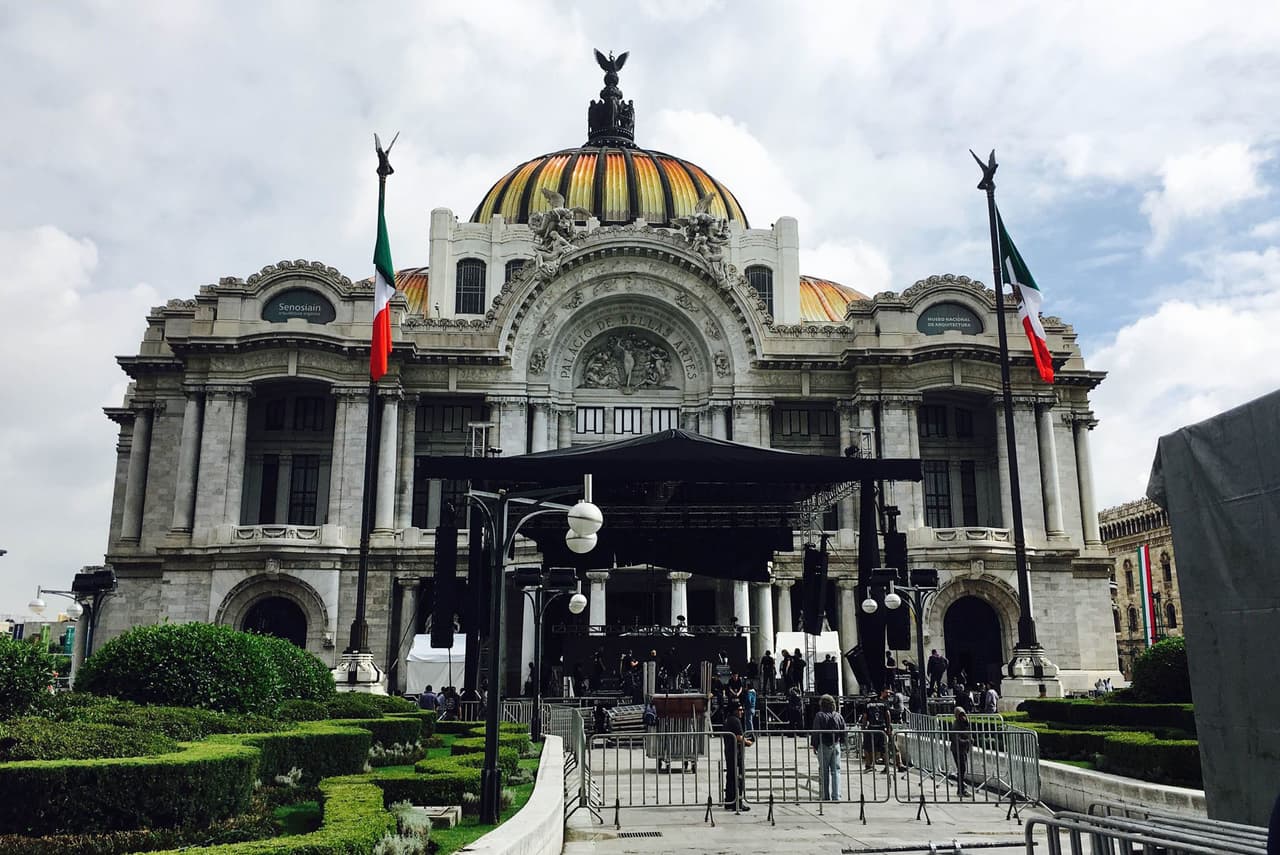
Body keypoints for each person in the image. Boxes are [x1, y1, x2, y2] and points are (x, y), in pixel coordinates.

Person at [810, 694, 847, 801]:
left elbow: (816, 731)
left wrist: (814, 745)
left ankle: (825, 796)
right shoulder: (838, 716)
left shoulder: (819, 715)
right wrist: (843, 743)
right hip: (836, 745)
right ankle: (837, 796)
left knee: (824, 771)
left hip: (823, 744)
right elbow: (844, 730)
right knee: (836, 771)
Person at [721, 699, 753, 811]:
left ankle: (729, 801)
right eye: (740, 709)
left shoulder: (728, 720)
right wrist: (748, 742)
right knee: (737, 778)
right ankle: (737, 802)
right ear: (734, 710)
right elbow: (739, 737)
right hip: (735, 753)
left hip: (730, 752)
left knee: (730, 776)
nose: (742, 712)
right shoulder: (735, 721)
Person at [950, 706, 972, 797]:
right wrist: (967, 741)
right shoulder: (956, 725)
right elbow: (956, 740)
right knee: (961, 769)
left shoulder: (966, 723)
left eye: (964, 714)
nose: (963, 717)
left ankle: (961, 788)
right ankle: (961, 790)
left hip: (963, 750)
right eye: (960, 715)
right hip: (957, 750)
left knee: (962, 770)